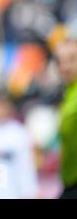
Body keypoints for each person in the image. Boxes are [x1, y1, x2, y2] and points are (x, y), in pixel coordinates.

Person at [54, 37, 77, 199]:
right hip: (70, 180)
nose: (65, 66)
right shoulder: (68, 94)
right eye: (60, 61)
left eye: (72, 59)